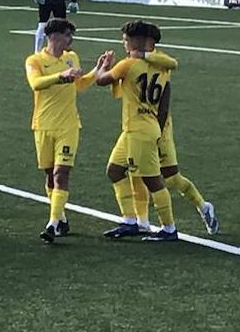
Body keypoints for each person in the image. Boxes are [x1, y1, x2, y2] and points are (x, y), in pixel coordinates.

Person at [94, 20, 179, 243]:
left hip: (138, 130)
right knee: (114, 170)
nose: (123, 43)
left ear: (135, 40)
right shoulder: (162, 67)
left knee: (152, 180)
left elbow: (101, 81)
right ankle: (130, 221)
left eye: (125, 39)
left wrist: (102, 65)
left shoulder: (128, 64)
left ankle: (169, 228)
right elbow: (164, 104)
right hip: (142, 128)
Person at [128, 26, 218, 235]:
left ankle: (203, 206)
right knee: (128, 171)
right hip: (138, 128)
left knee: (170, 178)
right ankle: (139, 220)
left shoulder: (160, 60)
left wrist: (158, 132)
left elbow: (171, 72)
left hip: (159, 128)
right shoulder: (139, 62)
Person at [25, 18, 96, 243]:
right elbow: (35, 84)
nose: (71, 40)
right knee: (49, 175)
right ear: (54, 36)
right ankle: (61, 217)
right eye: (67, 35)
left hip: (68, 125)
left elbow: (80, 85)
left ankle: (52, 223)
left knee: (60, 173)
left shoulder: (71, 58)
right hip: (43, 125)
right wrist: (60, 77)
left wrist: (98, 70)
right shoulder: (34, 60)